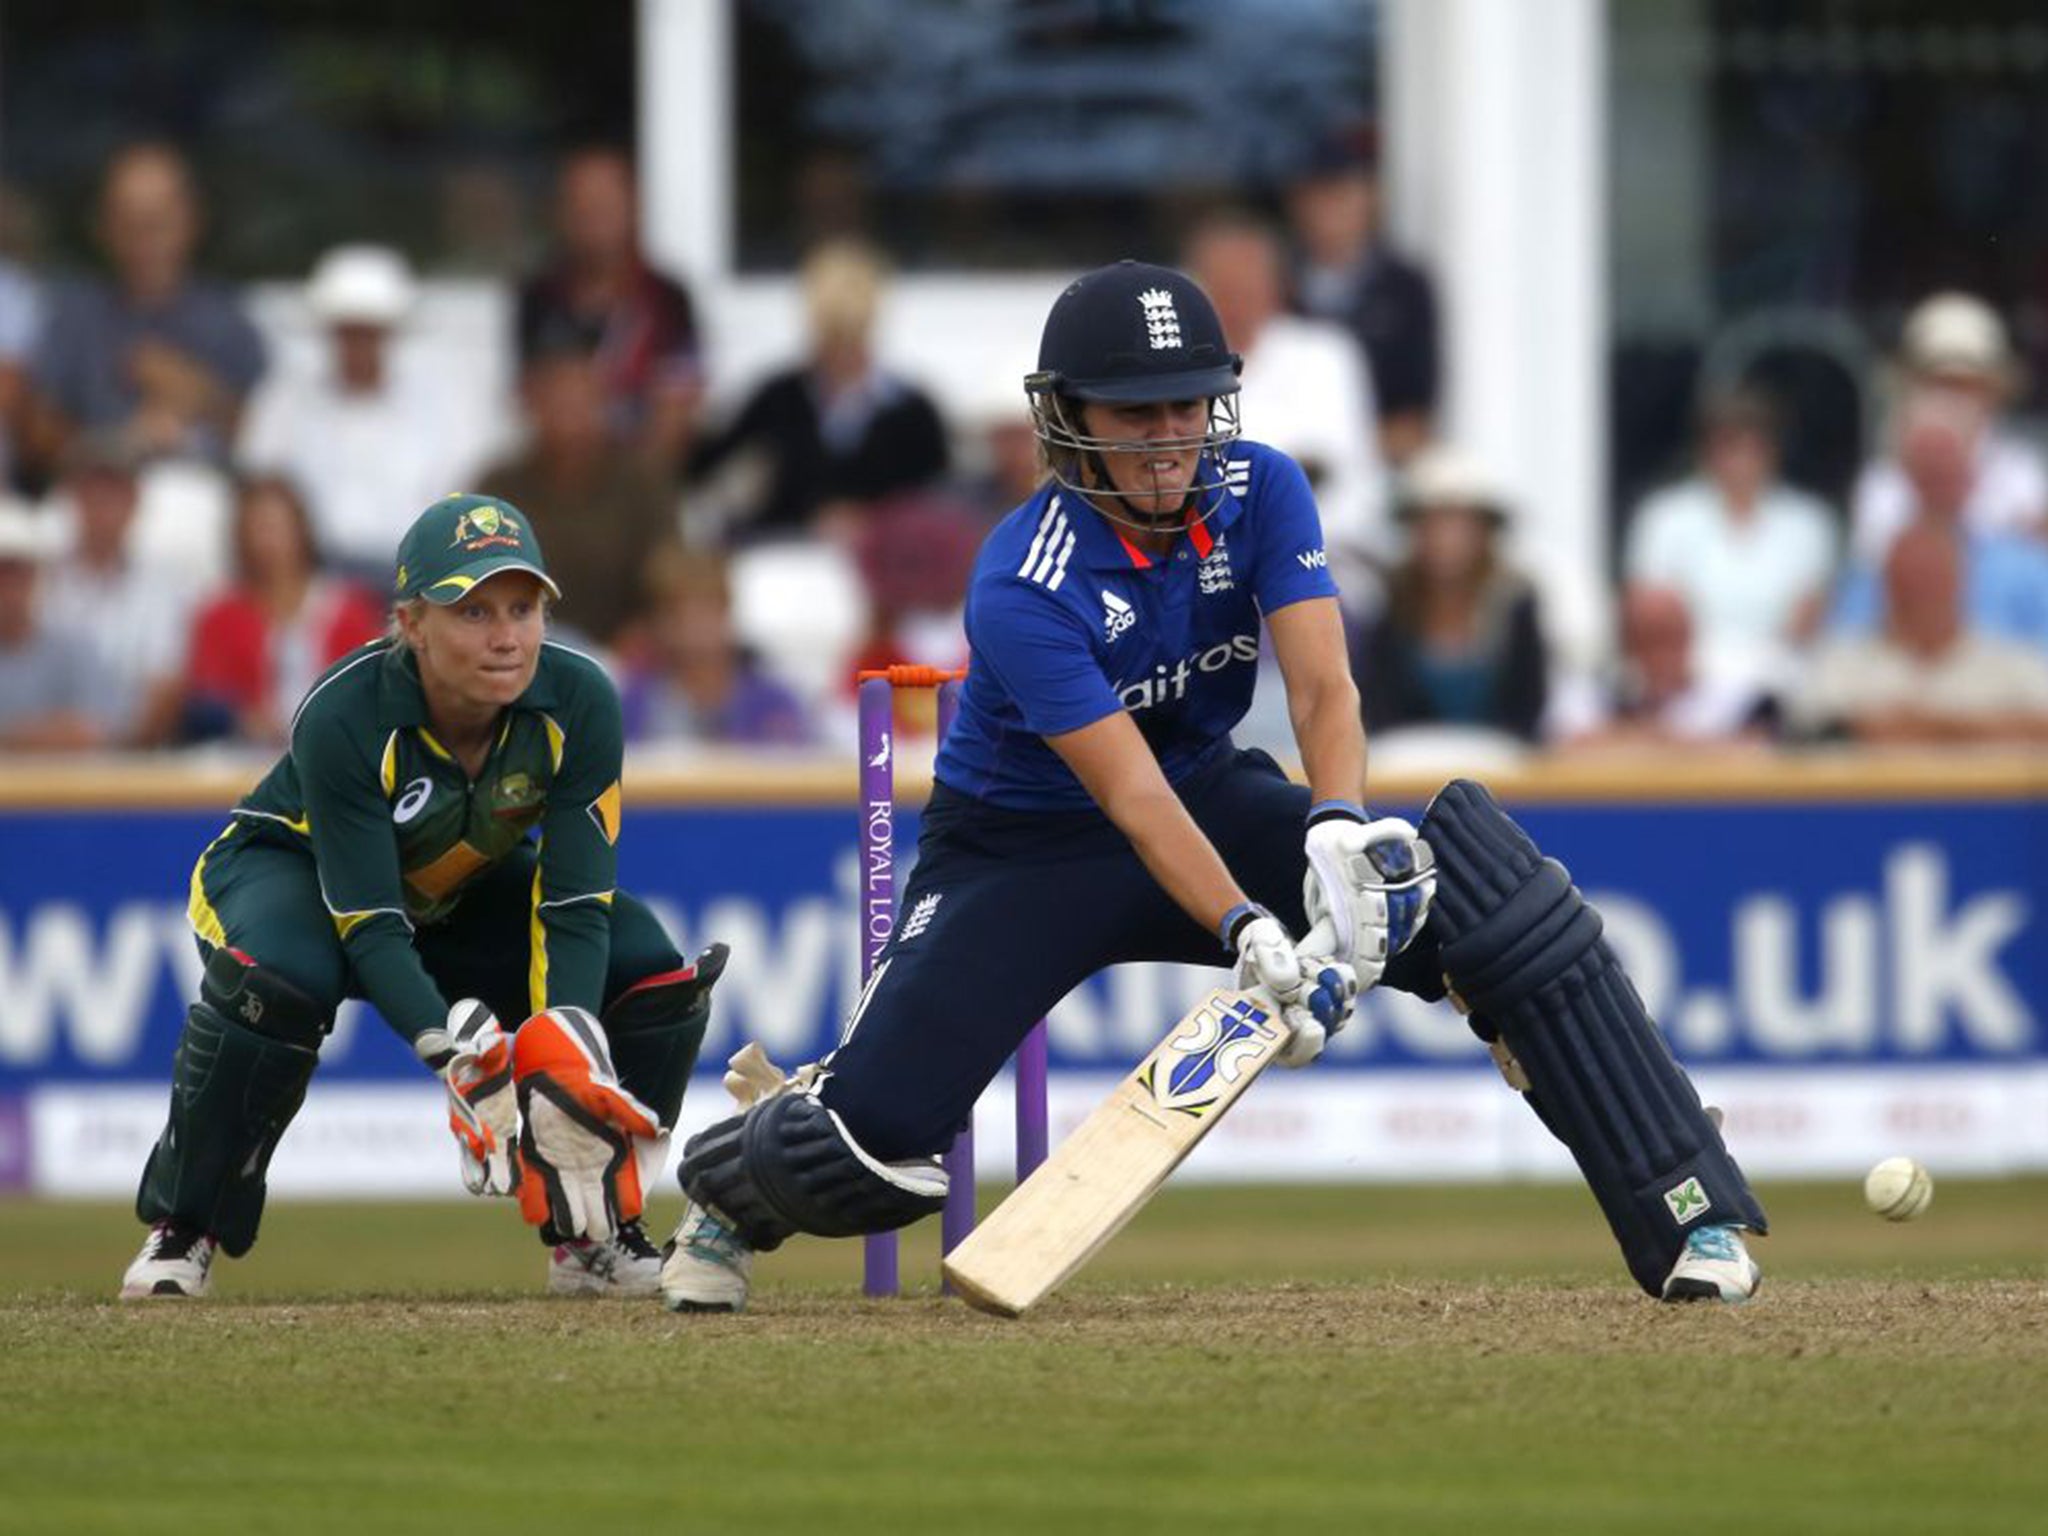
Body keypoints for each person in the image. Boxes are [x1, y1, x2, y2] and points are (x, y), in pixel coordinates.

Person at [655, 261, 1767, 1314]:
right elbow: (1128, 799)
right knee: (877, 1155)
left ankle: (1686, 1211)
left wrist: (1335, 828)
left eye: (1188, 406)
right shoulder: (1021, 581)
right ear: (1069, 419)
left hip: (1211, 791)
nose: (1168, 440)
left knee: (1484, 900)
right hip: (1021, 853)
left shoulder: (1261, 489)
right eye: (1136, 415)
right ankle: (724, 1196)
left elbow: (1326, 689)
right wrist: (1246, 927)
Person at [120, 493, 727, 1301]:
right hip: (292, 874)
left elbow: (573, 904)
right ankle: (182, 1228)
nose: (507, 635)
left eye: (522, 607)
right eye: (472, 610)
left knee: (648, 966)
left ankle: (592, 1236)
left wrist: (560, 1055)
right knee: (278, 982)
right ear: (411, 623)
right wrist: (457, 1058)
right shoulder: (345, 711)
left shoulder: (581, 699)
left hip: (449, 888)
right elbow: (368, 925)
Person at [240, 245, 483, 578]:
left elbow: (460, 497)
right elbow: (262, 489)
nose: (358, 344)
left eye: (369, 331)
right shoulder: (285, 401)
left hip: (413, 574)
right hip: (312, 579)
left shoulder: (442, 404)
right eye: (348, 331)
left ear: (390, 333)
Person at [24, 142, 265, 476]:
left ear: (192, 220)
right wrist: (109, 447)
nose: (145, 238)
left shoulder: (229, 320)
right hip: (98, 502)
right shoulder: (74, 317)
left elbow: (270, 437)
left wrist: (201, 394)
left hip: (205, 506)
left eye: (158, 221)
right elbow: (38, 430)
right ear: (103, 227)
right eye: (129, 222)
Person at [1184, 209, 1386, 606]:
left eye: (1249, 285)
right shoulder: (1175, 373)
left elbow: (1353, 483)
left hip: (1319, 566)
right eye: (1223, 288)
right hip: (1197, 575)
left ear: (1277, 287)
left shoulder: (1326, 355)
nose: (1236, 301)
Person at [686, 239, 949, 543]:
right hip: (787, 562)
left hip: (890, 571)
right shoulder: (780, 398)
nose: (840, 355)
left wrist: (870, 522)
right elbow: (702, 465)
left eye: (851, 338)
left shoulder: (914, 413)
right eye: (831, 338)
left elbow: (939, 505)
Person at [1624, 390, 1837, 701]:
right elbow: (1650, 619)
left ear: (1773, 452)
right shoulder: (1664, 517)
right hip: (1683, 685)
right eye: (1730, 446)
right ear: (1707, 451)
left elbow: (1806, 623)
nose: (1741, 460)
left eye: (1754, 447)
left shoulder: (1808, 524)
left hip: (1777, 687)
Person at [478, 347, 681, 651]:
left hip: (626, 653)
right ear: (532, 408)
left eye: (582, 406)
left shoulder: (640, 483)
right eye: (558, 406)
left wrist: (645, 630)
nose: (570, 421)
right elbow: (476, 573)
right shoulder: (499, 486)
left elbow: (669, 569)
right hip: (520, 647)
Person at [517, 146, 704, 474]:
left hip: (643, 484)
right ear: (562, 211)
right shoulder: (539, 297)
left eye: (605, 202)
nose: (593, 215)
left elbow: (678, 409)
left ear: (633, 205)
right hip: (562, 483)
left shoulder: (668, 298)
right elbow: (536, 403)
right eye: (582, 203)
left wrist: (633, 491)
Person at [1790, 522, 2048, 747]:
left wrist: (1921, 725)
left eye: (1931, 578)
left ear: (1959, 582)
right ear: (1888, 586)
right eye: (1908, 579)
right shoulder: (1840, 663)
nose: (1920, 591)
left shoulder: (2014, 662)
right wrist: (1987, 731)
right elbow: (1814, 736)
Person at [1354, 447, 1548, 743]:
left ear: (1485, 532)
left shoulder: (1516, 606)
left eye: (1459, 524)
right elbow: (1378, 710)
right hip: (1408, 773)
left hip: (1504, 775)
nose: (1444, 539)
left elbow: (1528, 713)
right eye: (1431, 524)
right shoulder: (1391, 605)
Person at [182, 475, 384, 747]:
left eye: (276, 528)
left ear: (301, 531)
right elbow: (203, 700)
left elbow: (375, 690)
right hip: (242, 755)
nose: (267, 541)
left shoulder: (350, 610)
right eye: (257, 528)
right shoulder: (219, 615)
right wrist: (242, 718)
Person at [1847, 292, 2047, 564]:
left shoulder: (2023, 474)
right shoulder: (1882, 482)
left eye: (1966, 384)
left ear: (1992, 392)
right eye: (1940, 382)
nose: (1953, 400)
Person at [1283, 124, 1440, 467]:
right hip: (1286, 476)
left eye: (1342, 193)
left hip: (1378, 481)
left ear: (1370, 197)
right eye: (1318, 195)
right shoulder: (1278, 285)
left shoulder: (1404, 288)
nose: (1330, 210)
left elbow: (1415, 421)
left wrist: (1344, 451)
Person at [41, 430, 193, 748]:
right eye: (92, 493)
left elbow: (165, 686)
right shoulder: (41, 581)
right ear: (73, 499)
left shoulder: (163, 589)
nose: (103, 507)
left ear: (134, 501)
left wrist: (115, 747)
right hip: (47, 756)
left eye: (114, 493)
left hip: (133, 763)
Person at [619, 544, 816, 747]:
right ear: (659, 623)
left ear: (727, 613)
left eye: (708, 611)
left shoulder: (776, 705)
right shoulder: (631, 707)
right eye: (679, 615)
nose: (696, 628)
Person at [0, 497, 110, 750]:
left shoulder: (74, 649)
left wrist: (8, 737)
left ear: (36, 576)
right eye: (1, 574)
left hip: (66, 788)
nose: (8, 587)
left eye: (17, 573)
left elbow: (89, 732)